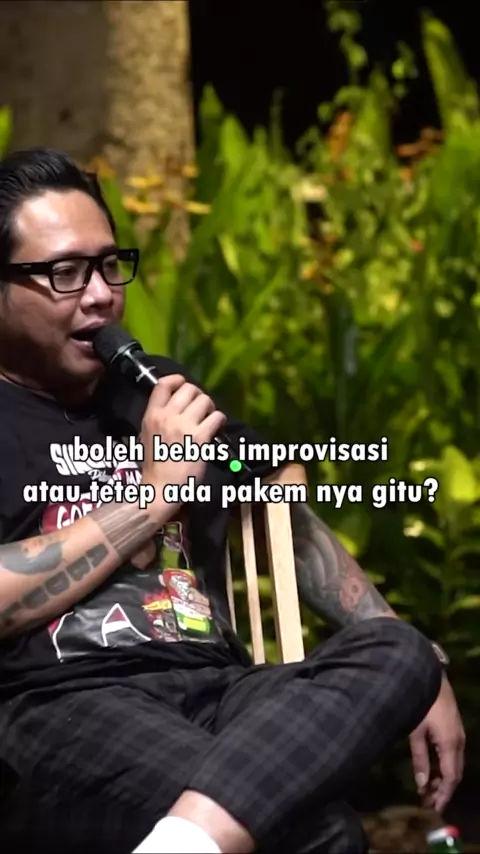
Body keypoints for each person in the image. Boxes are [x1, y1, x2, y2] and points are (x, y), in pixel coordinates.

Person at [0, 148, 465, 854]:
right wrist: (155, 494)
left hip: (217, 686)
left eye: (109, 265)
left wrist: (425, 675)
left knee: (398, 649)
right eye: (65, 273)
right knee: (322, 833)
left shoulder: (152, 390)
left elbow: (276, 500)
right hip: (64, 701)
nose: (100, 295)